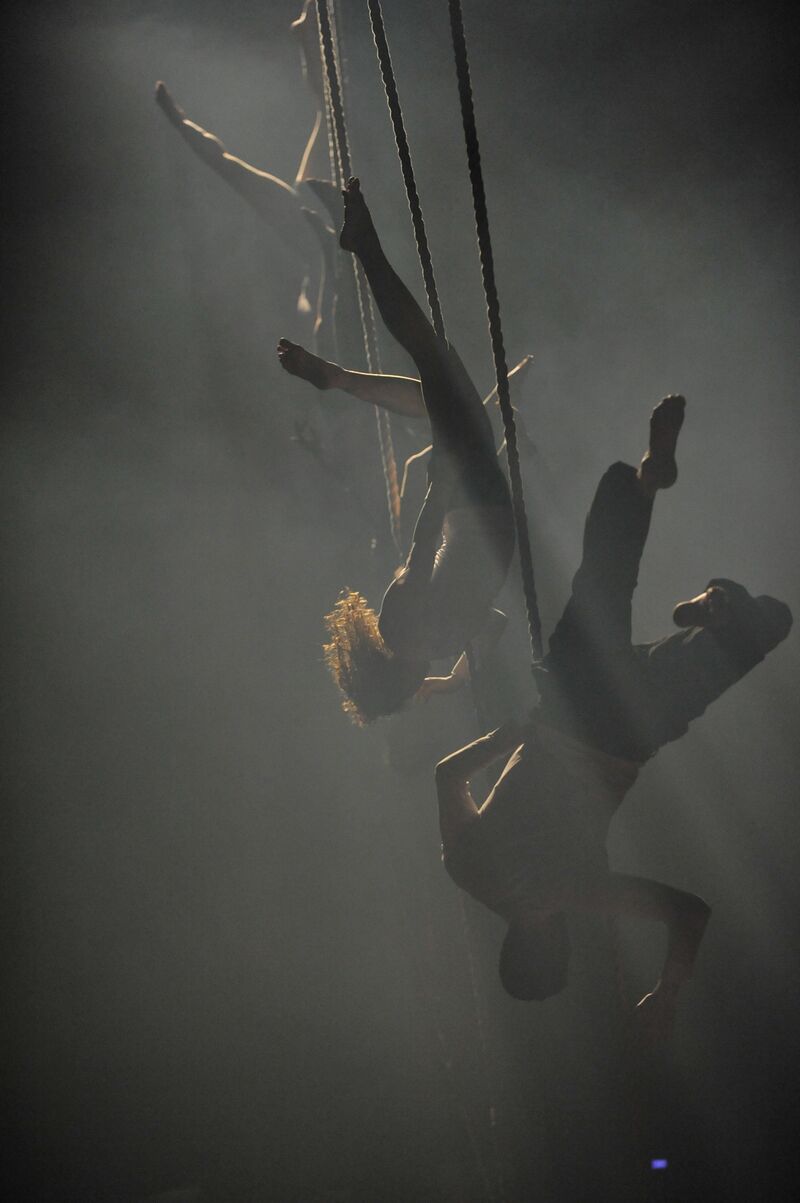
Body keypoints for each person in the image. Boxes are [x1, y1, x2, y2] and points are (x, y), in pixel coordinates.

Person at [434, 395, 791, 1038]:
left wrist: (668, 992)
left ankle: (721, 610)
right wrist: (511, 735)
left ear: (560, 946)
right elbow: (445, 777)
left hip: (627, 734)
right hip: (566, 707)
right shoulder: (467, 868)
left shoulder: (577, 893)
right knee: (603, 581)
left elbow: (691, 912)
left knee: (766, 628)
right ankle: (644, 484)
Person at [278, 178, 516, 723]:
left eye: (403, 700)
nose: (414, 698)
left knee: (432, 363)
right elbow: (491, 615)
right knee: (432, 371)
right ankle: (340, 373)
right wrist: (455, 678)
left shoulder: (411, 633)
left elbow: (429, 542)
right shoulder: (419, 636)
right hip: (474, 493)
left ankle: (361, 252)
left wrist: (446, 473)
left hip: (475, 494)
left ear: (395, 685)